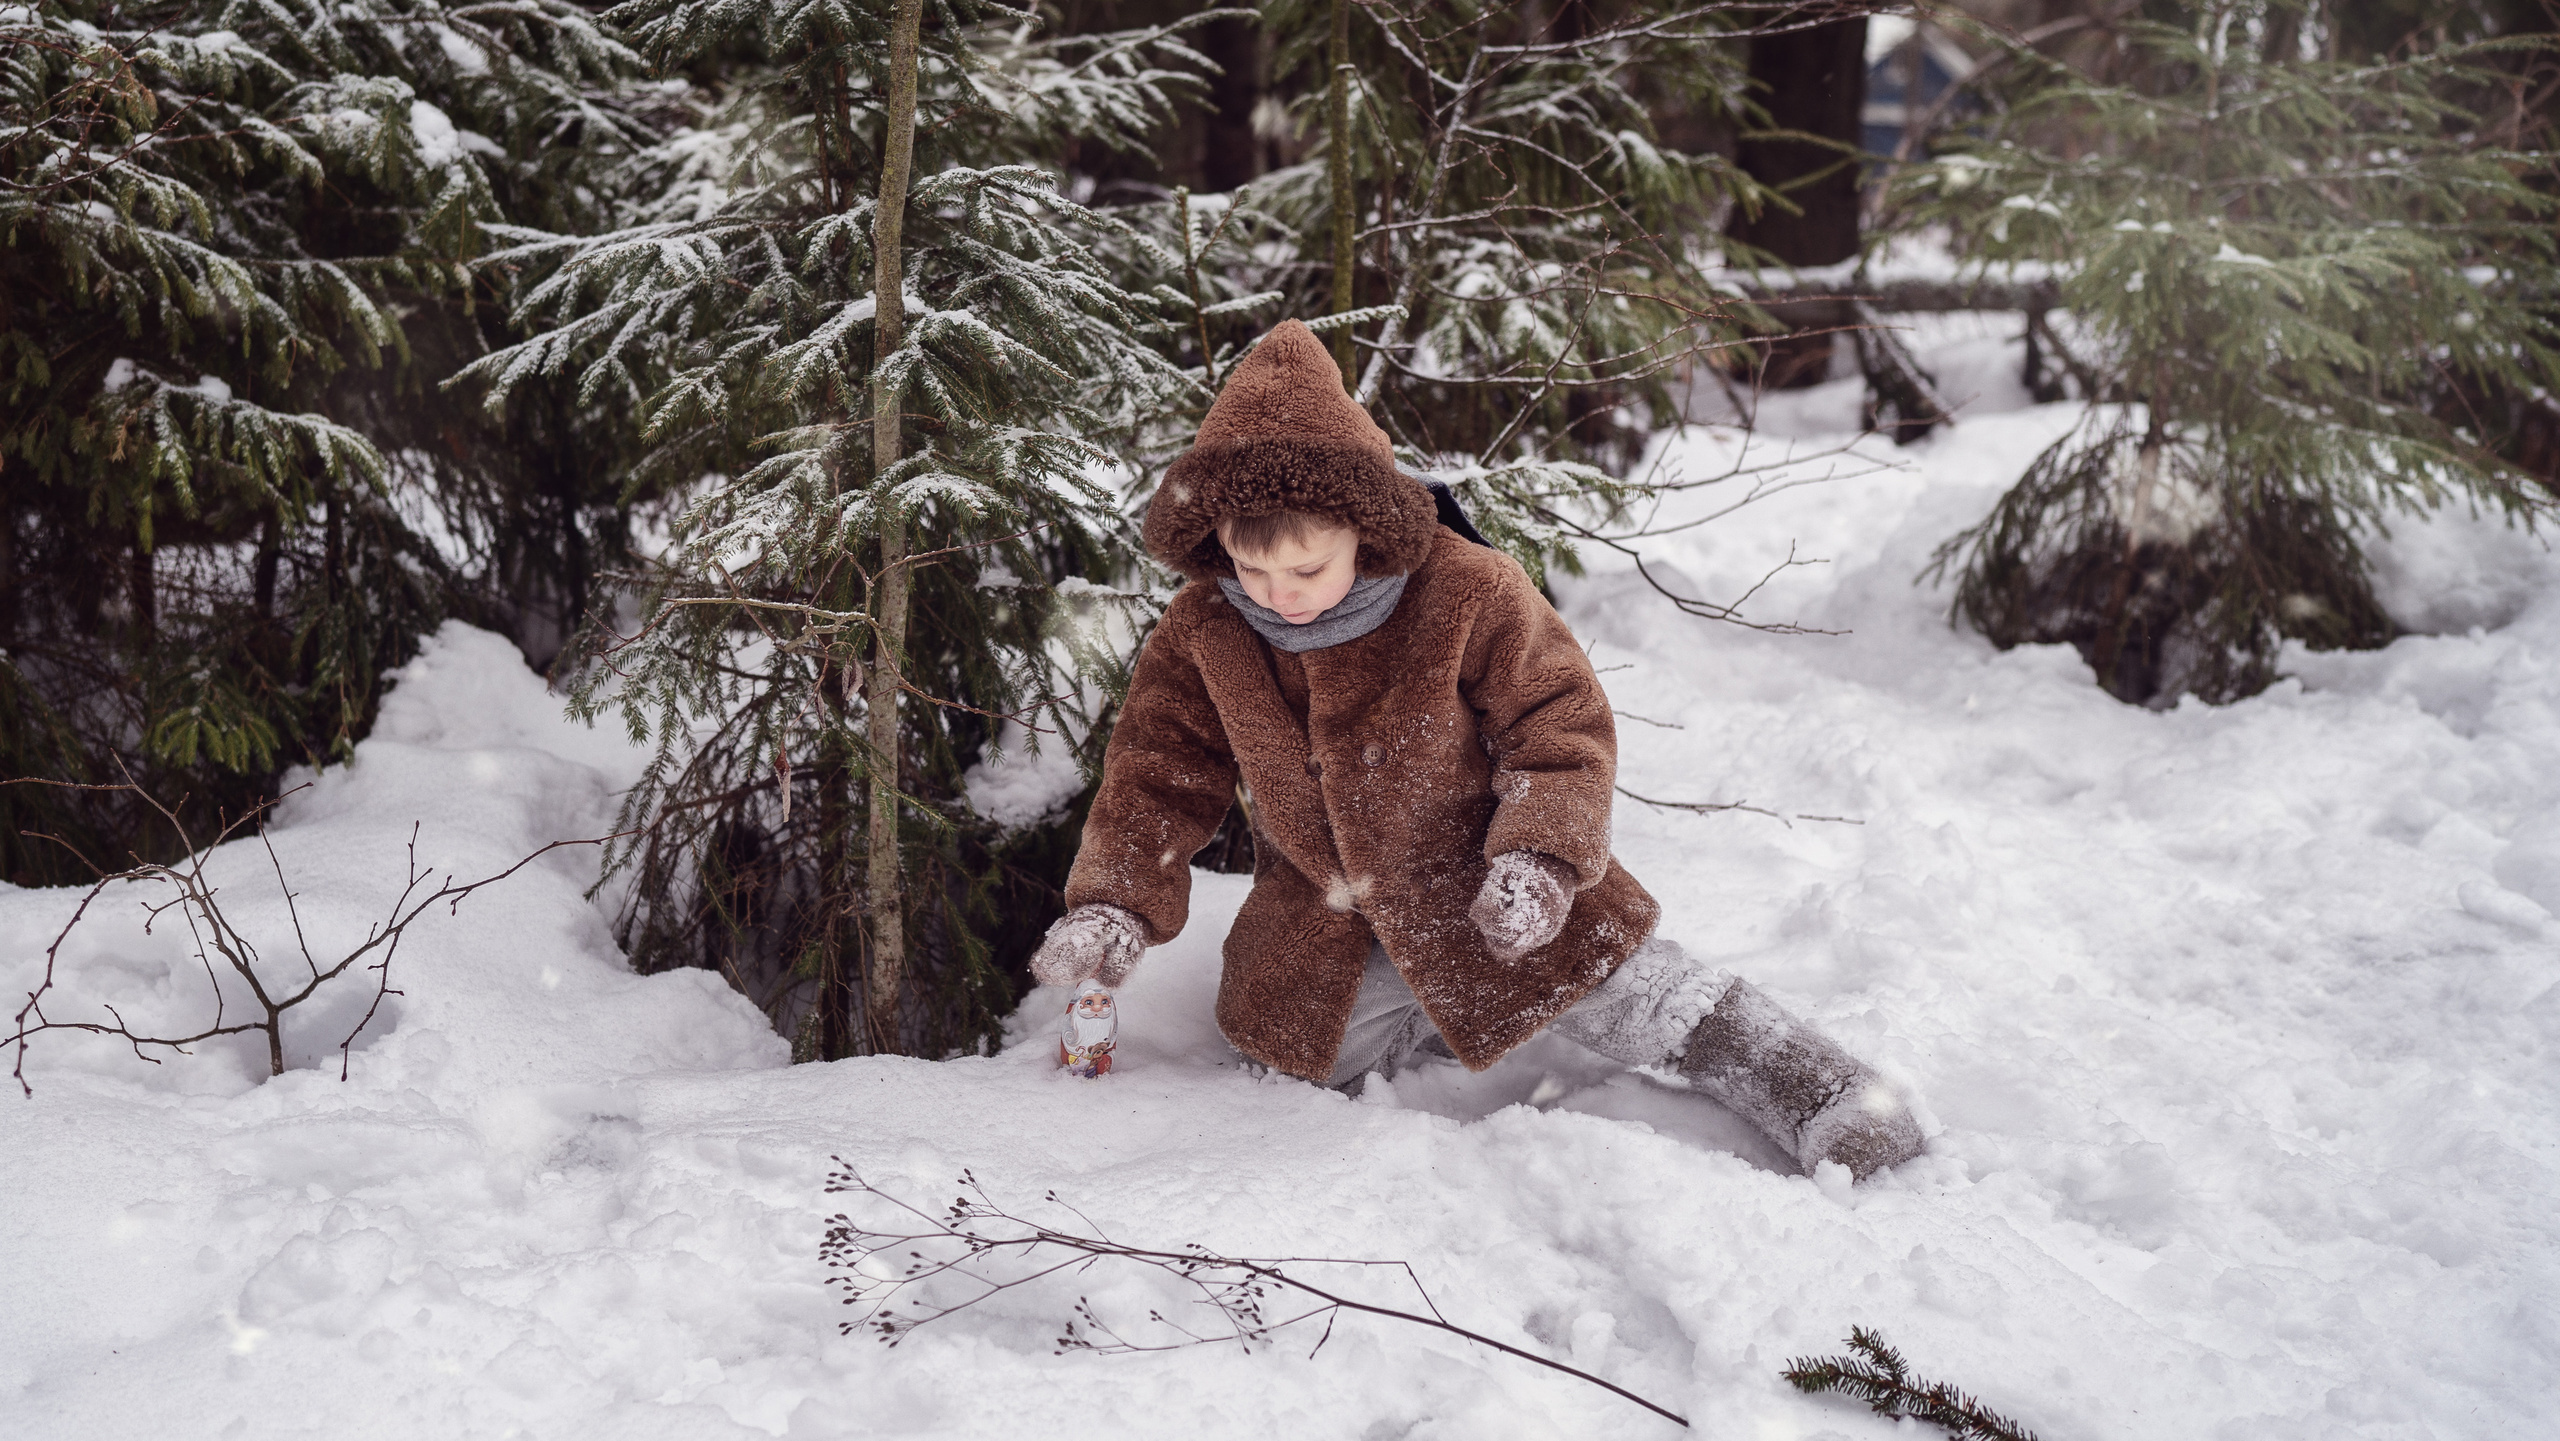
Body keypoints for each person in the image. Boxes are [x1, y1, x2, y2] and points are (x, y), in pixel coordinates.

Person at [1029, 319, 1923, 1180]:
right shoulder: (1206, 628)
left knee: (1634, 990)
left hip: (1489, 881)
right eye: (1252, 570)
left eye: (1307, 569)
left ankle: (1825, 1089)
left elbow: (1560, 721)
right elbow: (1159, 773)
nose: (1280, 594)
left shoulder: (1465, 590)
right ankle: (1430, 1012)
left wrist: (1540, 854)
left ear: (1363, 527)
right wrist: (1116, 904)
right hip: (1328, 920)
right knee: (1289, 1052)